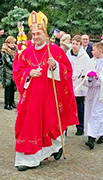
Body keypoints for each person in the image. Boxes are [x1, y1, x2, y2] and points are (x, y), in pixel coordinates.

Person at [13, 11, 78, 171]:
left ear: (45, 33)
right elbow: (18, 71)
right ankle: (27, 159)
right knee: (28, 126)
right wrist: (29, 73)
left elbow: (67, 71)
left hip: (49, 97)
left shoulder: (55, 51)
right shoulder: (26, 52)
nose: (35, 37)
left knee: (49, 124)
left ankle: (54, 148)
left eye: (39, 33)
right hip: (30, 99)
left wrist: (55, 66)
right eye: (33, 34)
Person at [66, 35, 91, 136]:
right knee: (66, 107)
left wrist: (79, 78)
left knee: (79, 107)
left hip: (78, 83)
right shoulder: (68, 54)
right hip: (68, 82)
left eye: (77, 44)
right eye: (73, 43)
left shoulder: (84, 57)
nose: (74, 46)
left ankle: (80, 126)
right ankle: (65, 128)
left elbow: (86, 69)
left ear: (80, 45)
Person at [1, 36, 17, 110]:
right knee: (8, 88)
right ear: (8, 43)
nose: (14, 44)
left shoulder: (15, 50)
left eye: (14, 43)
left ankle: (12, 102)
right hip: (7, 72)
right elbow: (8, 63)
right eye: (12, 43)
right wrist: (16, 65)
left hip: (13, 72)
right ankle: (7, 104)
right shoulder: (5, 52)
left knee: (13, 88)